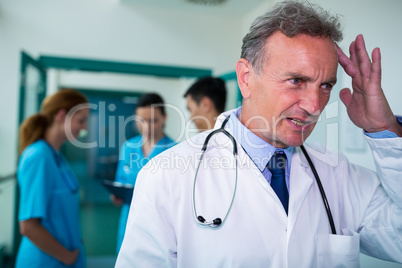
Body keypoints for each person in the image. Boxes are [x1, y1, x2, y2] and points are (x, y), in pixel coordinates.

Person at [116, 1, 402, 267]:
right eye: (296, 80)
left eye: (325, 85)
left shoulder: (341, 175)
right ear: (246, 79)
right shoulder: (165, 177)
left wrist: (385, 130)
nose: (315, 106)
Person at [17, 89, 88, 268]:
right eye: (81, 120)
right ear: (62, 115)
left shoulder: (55, 156)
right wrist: (67, 257)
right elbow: (28, 226)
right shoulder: (38, 156)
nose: (84, 127)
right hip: (45, 261)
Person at [111, 93, 176, 253]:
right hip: (129, 221)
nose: (147, 126)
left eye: (153, 120)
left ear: (164, 118)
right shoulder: (128, 147)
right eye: (141, 120)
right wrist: (116, 194)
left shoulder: (176, 151)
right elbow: (120, 180)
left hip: (159, 227)